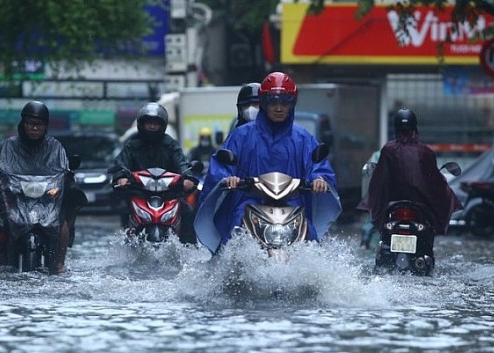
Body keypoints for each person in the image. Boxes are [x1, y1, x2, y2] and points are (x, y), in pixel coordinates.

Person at [195, 71, 341, 254]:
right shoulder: (242, 135)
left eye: (284, 102)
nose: (279, 108)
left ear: (292, 104)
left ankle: (313, 275)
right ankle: (227, 274)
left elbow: (318, 165)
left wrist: (320, 179)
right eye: (273, 102)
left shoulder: (303, 138)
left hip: (293, 205)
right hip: (248, 203)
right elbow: (221, 164)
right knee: (233, 235)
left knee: (311, 238)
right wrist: (227, 178)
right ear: (263, 103)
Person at [0, 101, 85, 274]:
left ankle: (60, 263)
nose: (35, 128)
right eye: (31, 123)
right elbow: (2, 170)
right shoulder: (9, 145)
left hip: (47, 199)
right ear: (23, 124)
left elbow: (63, 170)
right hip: (16, 197)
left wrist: (66, 177)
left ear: (45, 126)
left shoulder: (55, 146)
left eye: (39, 124)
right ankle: (4, 261)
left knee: (63, 216)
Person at [361, 108, 462, 237]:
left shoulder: (388, 149)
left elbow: (379, 180)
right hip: (420, 204)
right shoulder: (425, 151)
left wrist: (371, 202)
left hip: (392, 203)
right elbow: (435, 182)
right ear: (414, 127)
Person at [110, 102, 198, 244]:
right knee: (125, 210)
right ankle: (127, 247)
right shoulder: (132, 145)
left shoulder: (170, 144)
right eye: (148, 123)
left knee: (187, 210)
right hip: (139, 193)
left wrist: (188, 177)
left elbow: (182, 163)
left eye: (155, 123)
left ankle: (189, 250)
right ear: (141, 124)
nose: (152, 126)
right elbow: (121, 163)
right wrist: (121, 177)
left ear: (162, 125)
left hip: (169, 194)